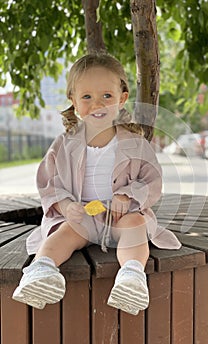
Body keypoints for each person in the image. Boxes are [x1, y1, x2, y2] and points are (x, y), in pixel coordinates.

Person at [12, 52, 181, 315]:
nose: (97, 104)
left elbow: (152, 180)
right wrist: (66, 205)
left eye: (107, 96)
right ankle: (40, 270)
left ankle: (132, 278)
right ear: (74, 102)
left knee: (135, 227)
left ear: (122, 98)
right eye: (87, 97)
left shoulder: (135, 143)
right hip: (84, 213)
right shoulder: (64, 144)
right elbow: (49, 182)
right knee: (65, 233)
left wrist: (127, 196)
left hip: (119, 214)